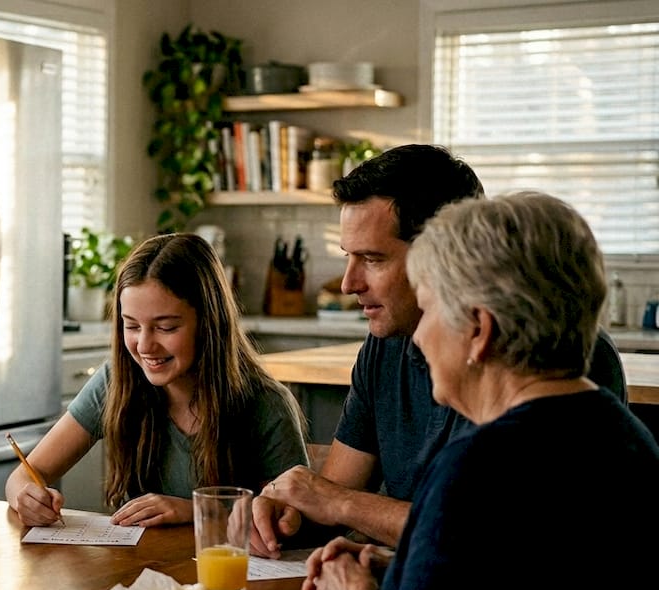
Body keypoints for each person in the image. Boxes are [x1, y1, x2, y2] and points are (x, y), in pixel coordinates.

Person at [303, 191, 659, 590]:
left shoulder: (476, 469)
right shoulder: (631, 440)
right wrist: (402, 569)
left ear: (478, 330)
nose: (419, 338)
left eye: (427, 311)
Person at [251, 144, 626, 556]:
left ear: (444, 256)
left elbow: (484, 535)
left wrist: (340, 505)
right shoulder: (384, 343)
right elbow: (333, 502)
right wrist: (283, 516)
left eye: (372, 259)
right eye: (348, 256)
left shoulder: (541, 357)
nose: (348, 283)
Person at [5, 232, 307, 527]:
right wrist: (26, 497)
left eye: (165, 328)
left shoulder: (266, 403)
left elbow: (289, 519)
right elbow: (26, 474)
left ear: (209, 323)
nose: (145, 346)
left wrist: (195, 511)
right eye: (132, 326)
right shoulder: (117, 380)